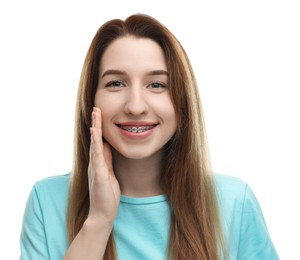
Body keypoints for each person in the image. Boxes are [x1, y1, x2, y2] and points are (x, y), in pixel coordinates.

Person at [20, 14, 279, 260]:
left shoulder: (234, 202)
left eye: (156, 85)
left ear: (182, 101)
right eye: (115, 83)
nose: (135, 106)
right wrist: (98, 221)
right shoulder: (47, 200)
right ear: (92, 99)